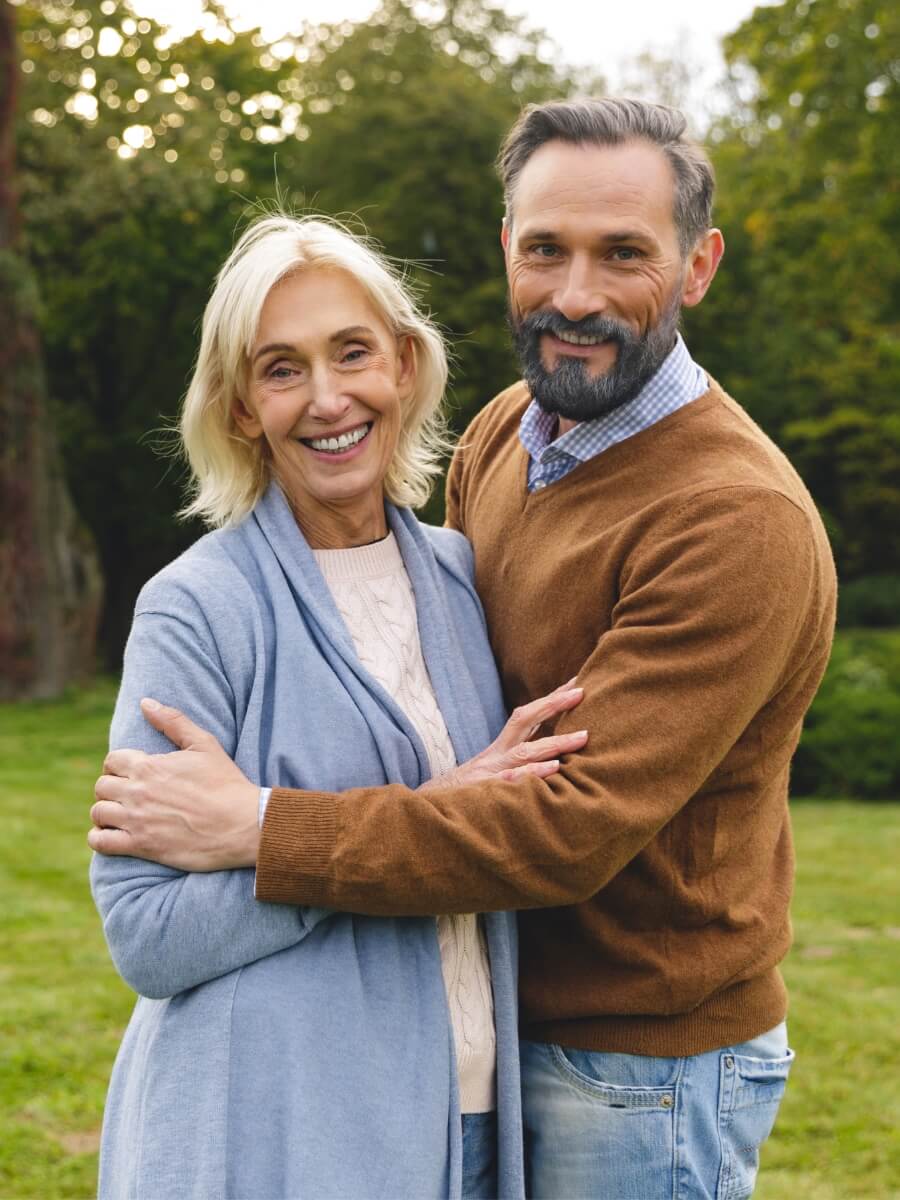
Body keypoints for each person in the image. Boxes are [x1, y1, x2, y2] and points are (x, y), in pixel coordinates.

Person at [91, 98, 837, 1199]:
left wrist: (259, 828)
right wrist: (437, 797)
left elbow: (557, 828)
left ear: (697, 266)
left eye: (622, 252)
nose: (574, 294)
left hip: (637, 1066)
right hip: (450, 1057)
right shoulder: (506, 436)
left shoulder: (734, 522)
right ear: (507, 251)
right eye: (546, 249)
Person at [87, 212, 590, 1199]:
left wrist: (264, 831)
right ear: (240, 408)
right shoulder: (198, 607)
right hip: (279, 1134)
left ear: (403, 365)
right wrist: (437, 814)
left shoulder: (456, 578)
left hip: (469, 1120)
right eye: (282, 369)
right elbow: (147, 937)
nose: (327, 399)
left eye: (351, 352)